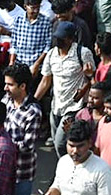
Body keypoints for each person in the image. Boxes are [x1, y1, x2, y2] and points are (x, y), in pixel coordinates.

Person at [41, 120, 111, 195]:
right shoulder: (63, 162)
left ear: (90, 143)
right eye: (71, 146)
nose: (75, 151)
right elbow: (58, 185)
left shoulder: (102, 170)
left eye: (80, 146)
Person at [2, 63, 50, 195]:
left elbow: (27, 145)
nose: (5, 88)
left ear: (22, 86)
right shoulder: (6, 101)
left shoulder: (33, 112)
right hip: (4, 167)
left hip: (22, 171)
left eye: (9, 84)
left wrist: (3, 146)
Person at [35, 21, 95, 152]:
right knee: (64, 143)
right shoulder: (51, 54)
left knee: (60, 144)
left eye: (61, 38)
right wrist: (33, 101)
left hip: (74, 107)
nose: (57, 40)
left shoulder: (83, 53)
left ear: (71, 39)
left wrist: (89, 77)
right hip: (56, 107)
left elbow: (93, 79)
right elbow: (45, 81)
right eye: (56, 37)